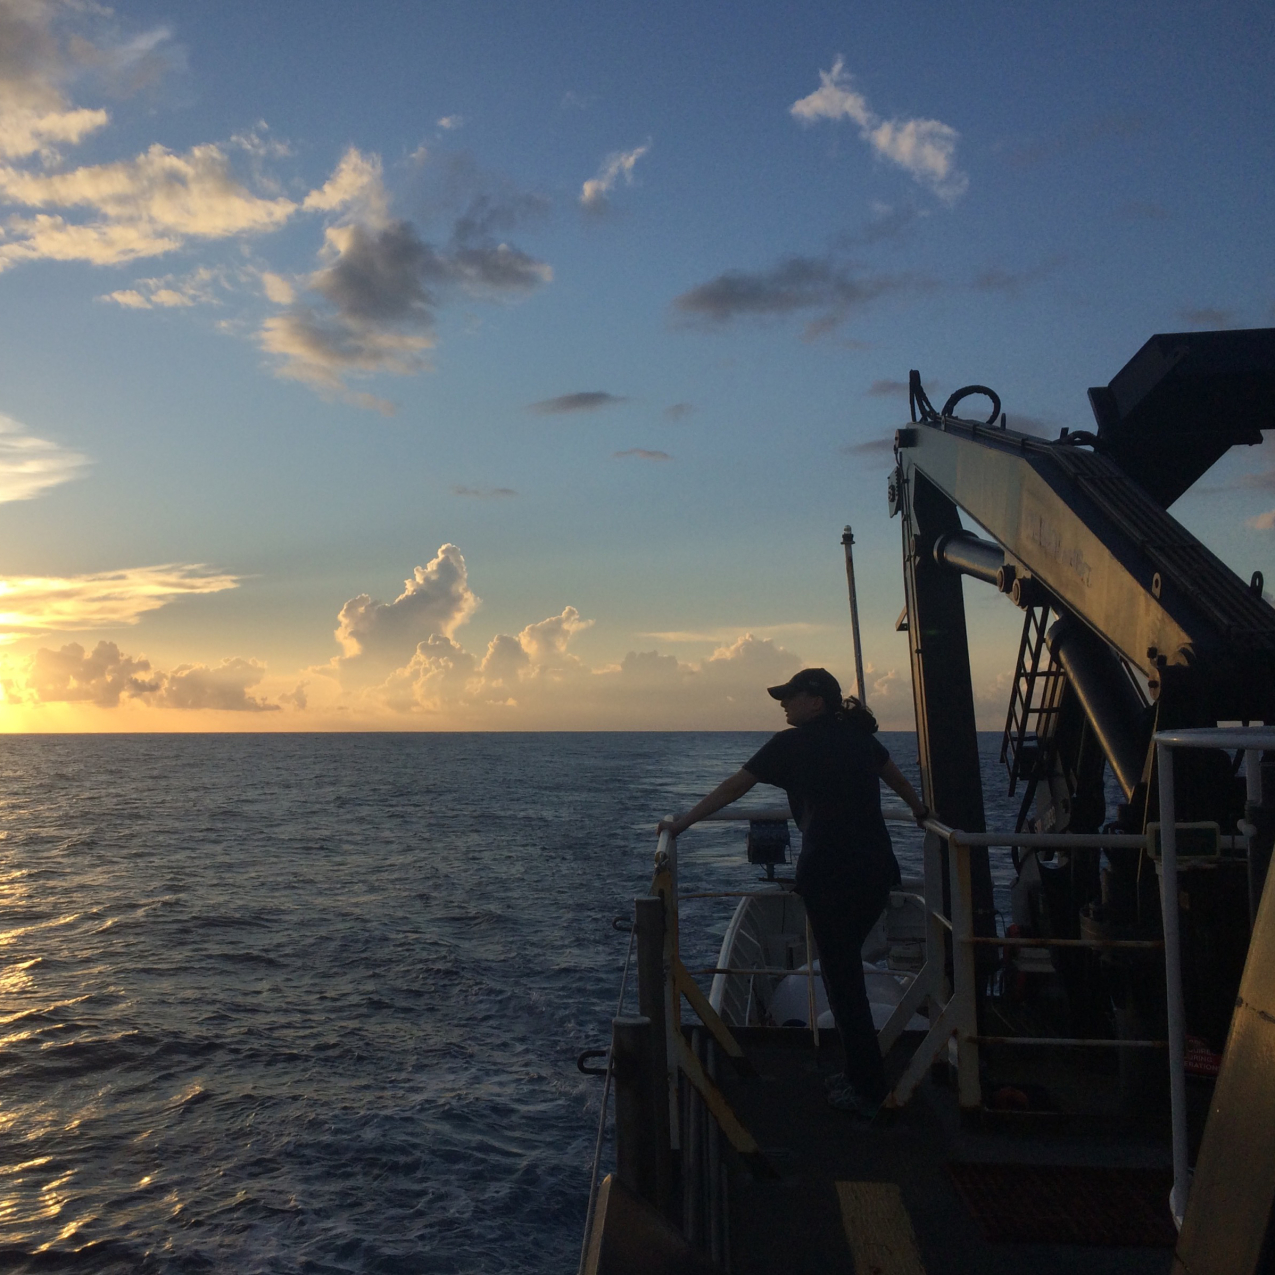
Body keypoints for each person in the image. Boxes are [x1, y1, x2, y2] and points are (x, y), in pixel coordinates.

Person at [658, 668, 927, 1118]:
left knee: (844, 984)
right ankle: (861, 1077)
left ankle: (869, 1089)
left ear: (816, 701)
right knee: (845, 976)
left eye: (790, 696)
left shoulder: (790, 746)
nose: (783, 704)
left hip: (828, 876)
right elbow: (895, 779)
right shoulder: (860, 737)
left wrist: (680, 824)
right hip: (877, 872)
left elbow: (733, 789)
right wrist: (920, 810)